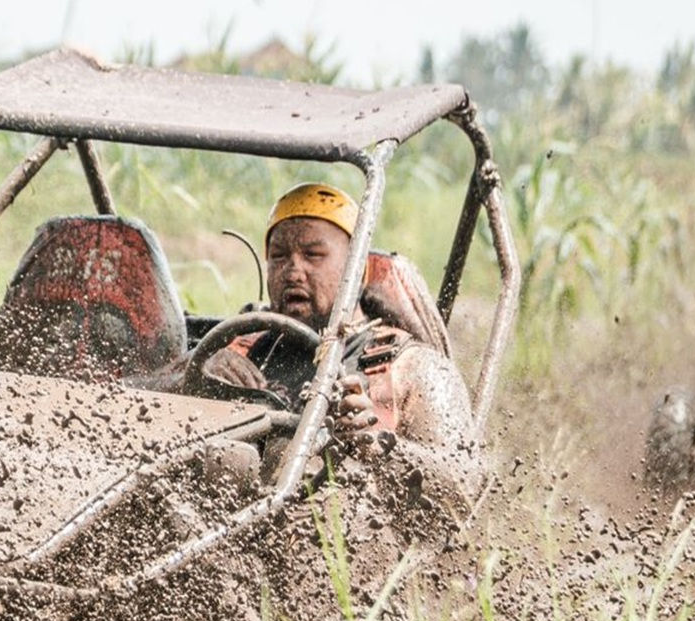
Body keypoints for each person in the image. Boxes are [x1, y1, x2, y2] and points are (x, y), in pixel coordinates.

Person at [180, 182, 480, 501]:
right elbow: (138, 402)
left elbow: (464, 486)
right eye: (279, 256)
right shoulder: (240, 345)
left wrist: (380, 447)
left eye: (313, 255)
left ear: (357, 265)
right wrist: (197, 370)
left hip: (350, 538)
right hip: (226, 527)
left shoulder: (411, 366)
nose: (293, 271)